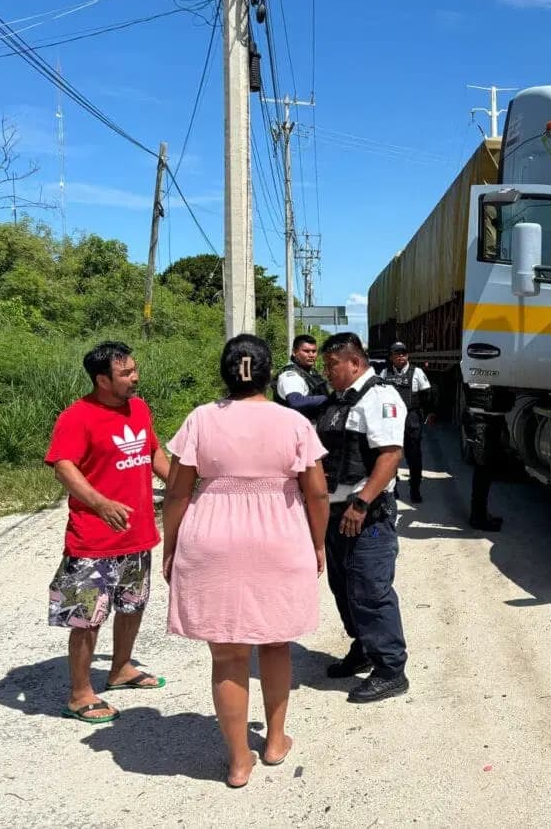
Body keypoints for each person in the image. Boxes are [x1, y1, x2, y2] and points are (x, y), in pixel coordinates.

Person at [161, 334, 330, 789]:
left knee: (228, 654)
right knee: (275, 642)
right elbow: (316, 492)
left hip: (212, 537)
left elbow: (178, 491)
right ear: (270, 372)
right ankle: (275, 741)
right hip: (279, 537)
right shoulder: (294, 421)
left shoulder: (200, 419)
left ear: (224, 371)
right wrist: (318, 543)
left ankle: (239, 761)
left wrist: (170, 545)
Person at [45, 341, 170, 725]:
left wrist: (184, 488)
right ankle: (80, 693)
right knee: (87, 616)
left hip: (137, 535)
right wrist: (100, 503)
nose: (135, 377)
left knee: (132, 604)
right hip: (94, 539)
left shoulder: (139, 408)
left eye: (134, 369)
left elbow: (153, 453)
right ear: (102, 379)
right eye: (126, 373)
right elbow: (63, 466)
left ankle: (120, 669)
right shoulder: (77, 416)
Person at [316, 332, 410, 703]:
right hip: (335, 512)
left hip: (366, 514)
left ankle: (390, 669)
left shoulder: (380, 397)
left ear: (354, 362)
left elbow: (390, 455)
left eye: (332, 365)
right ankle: (364, 647)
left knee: (371, 591)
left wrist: (361, 503)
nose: (327, 372)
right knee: (344, 588)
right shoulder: (339, 401)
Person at [378, 341, 434, 503]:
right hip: (391, 418)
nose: (400, 356)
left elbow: (427, 395)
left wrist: (428, 413)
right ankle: (392, 488)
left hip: (411, 418)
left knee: (414, 456)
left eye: (403, 353)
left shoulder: (416, 372)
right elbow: (379, 396)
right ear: (391, 357)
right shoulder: (384, 374)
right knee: (390, 455)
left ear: (407, 355)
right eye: (397, 353)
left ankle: (415, 489)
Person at [463, 410, 504, 532]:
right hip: (483, 421)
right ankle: (478, 517)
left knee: (485, 471)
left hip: (486, 419)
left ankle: (480, 514)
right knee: (484, 471)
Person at [273, 333, 330, 418]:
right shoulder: (290, 375)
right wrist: (327, 399)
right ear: (294, 352)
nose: (311, 355)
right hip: (293, 428)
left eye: (314, 351)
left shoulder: (310, 372)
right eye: (306, 351)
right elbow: (296, 401)